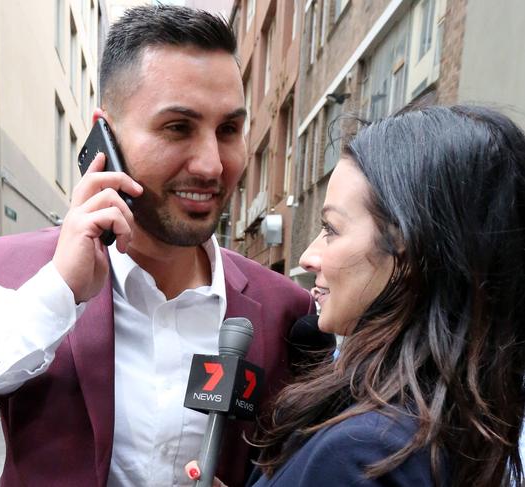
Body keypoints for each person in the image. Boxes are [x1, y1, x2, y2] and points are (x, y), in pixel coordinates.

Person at [0, 6, 313, 487]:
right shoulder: (11, 270)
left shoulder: (284, 311)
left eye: (228, 130)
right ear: (107, 135)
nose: (212, 165)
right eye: (178, 128)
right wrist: (56, 294)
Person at [185, 105, 525, 486]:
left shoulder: (361, 455)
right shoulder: (453, 425)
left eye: (331, 229)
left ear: (408, 251)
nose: (308, 257)